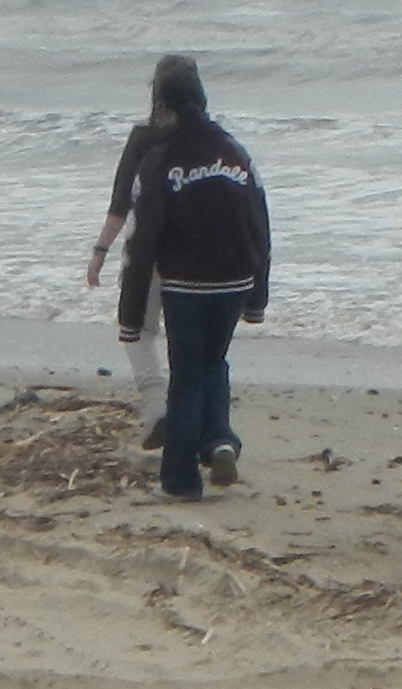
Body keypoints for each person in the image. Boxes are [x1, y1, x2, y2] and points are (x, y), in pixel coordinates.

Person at [125, 61, 269, 502]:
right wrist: (257, 295)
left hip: (187, 284)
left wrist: (131, 314)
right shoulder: (236, 152)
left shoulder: (160, 160)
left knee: (186, 377)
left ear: (164, 106)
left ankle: (180, 480)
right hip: (235, 278)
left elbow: (143, 238)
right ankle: (220, 441)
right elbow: (259, 223)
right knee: (214, 363)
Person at [83, 54, 203, 441]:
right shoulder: (207, 138)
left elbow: (121, 203)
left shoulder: (142, 138)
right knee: (191, 340)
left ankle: (156, 413)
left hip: (147, 251)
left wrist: (100, 250)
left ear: (156, 93)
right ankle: (195, 422)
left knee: (137, 332)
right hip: (196, 253)